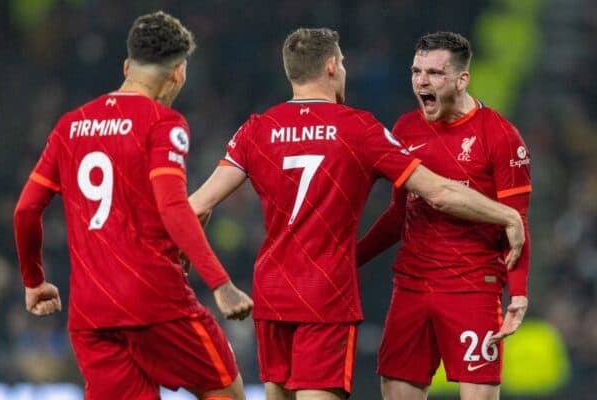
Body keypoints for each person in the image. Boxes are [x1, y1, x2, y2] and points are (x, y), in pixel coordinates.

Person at [188, 28, 524, 400]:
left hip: (271, 294)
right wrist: (507, 215)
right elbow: (440, 193)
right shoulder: (358, 129)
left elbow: (195, 207)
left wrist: (205, 273)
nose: (345, 70)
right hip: (325, 298)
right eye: (344, 63)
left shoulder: (256, 130)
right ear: (332, 66)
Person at [13, 11, 252, 400]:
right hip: (156, 300)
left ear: (127, 66)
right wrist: (221, 285)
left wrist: (33, 280)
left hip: (92, 311)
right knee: (226, 393)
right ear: (178, 73)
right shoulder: (162, 123)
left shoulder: (70, 125)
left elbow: (25, 210)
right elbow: (173, 206)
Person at [357, 31, 532, 400]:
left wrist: (517, 293)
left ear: (461, 78)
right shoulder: (405, 128)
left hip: (472, 289)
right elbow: (397, 214)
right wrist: (351, 258)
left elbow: (516, 221)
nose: (422, 81)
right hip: (411, 288)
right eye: (416, 71)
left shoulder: (500, 135)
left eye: (435, 73)